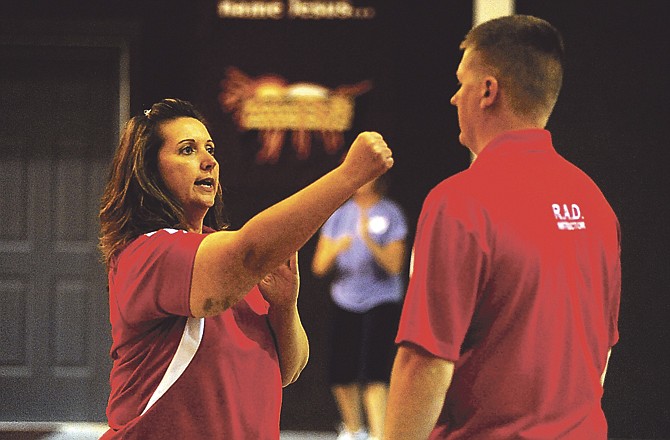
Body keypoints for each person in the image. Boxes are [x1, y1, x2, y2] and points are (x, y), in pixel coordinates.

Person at [97, 98, 393, 439]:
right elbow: (249, 253)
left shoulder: (220, 256)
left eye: (209, 148)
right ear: (149, 172)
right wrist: (348, 176)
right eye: (187, 150)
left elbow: (289, 369)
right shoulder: (147, 254)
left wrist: (284, 307)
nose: (208, 161)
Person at [384, 15, 621, 440]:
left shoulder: (459, 201)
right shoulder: (596, 204)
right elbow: (600, 354)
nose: (455, 98)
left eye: (461, 83)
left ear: (488, 91)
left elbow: (426, 362)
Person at [312, 175, 408, 440]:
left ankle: (380, 434)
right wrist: (337, 247)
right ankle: (354, 430)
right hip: (345, 300)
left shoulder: (391, 213)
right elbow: (319, 266)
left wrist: (369, 240)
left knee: (375, 372)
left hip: (381, 302)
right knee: (341, 373)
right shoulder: (339, 216)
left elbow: (395, 265)